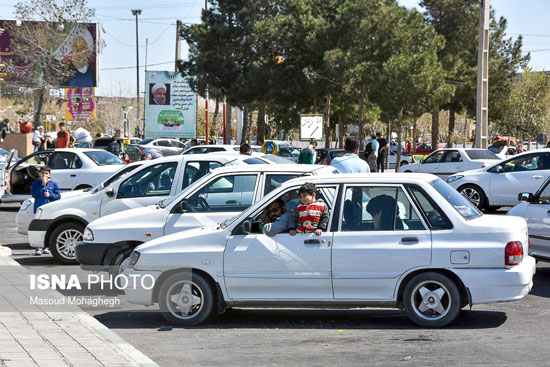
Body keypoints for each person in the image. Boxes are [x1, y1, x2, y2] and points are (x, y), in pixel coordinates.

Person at [31, 167, 60, 255]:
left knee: (48, 228)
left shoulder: (53, 184)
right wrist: (42, 186)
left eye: (46, 173)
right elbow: (34, 194)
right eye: (43, 173)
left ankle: (46, 247)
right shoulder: (36, 183)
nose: (44, 175)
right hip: (39, 208)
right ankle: (38, 248)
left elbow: (58, 196)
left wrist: (50, 195)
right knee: (38, 228)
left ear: (49, 175)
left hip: (49, 209)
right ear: (39, 174)